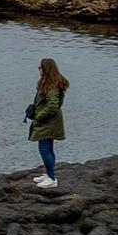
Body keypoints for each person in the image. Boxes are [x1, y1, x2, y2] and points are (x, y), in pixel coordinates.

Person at [27, 58, 68, 188]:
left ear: (46, 69)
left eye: (41, 67)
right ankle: (49, 174)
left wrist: (39, 117)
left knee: (44, 149)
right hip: (49, 121)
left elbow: (53, 105)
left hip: (48, 122)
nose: (38, 69)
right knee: (48, 148)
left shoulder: (51, 85)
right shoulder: (48, 83)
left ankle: (51, 179)